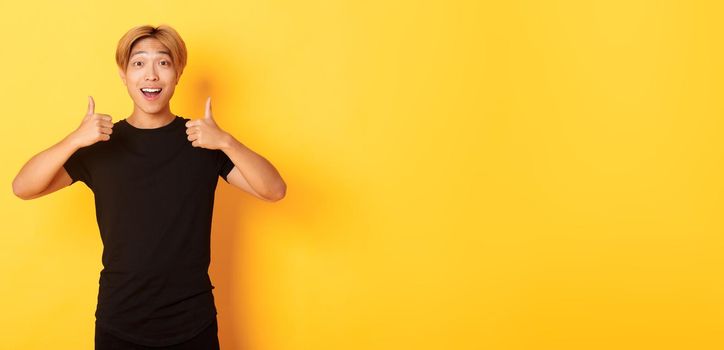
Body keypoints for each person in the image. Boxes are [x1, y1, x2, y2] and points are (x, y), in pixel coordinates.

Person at [11, 24, 287, 349]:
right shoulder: (101, 144)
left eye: (163, 63)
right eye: (139, 63)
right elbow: (23, 187)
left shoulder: (202, 141)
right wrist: (75, 140)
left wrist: (226, 141)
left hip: (192, 321)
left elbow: (274, 190)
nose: (151, 75)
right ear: (123, 75)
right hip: (120, 320)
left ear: (178, 73)